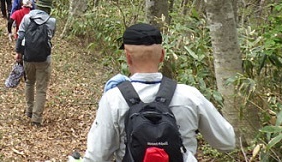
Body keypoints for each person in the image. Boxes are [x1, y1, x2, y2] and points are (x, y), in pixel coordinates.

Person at [83, 23, 236, 162]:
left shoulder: (113, 99)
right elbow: (227, 142)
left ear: (128, 57)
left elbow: (97, 156)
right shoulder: (190, 96)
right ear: (162, 55)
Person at [15, 0, 56, 126]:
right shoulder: (52, 21)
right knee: (41, 88)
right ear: (48, 8)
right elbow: (50, 37)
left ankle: (29, 110)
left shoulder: (27, 18)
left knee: (29, 82)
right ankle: (36, 118)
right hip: (44, 58)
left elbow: (20, 36)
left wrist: (19, 53)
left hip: (28, 56)